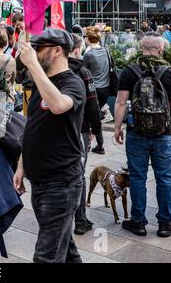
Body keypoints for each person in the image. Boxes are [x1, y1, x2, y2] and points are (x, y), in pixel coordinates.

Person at [13, 29, 86, 263]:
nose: (33, 53)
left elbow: (58, 105)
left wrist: (33, 66)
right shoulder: (42, 82)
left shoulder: (73, 82)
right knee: (64, 247)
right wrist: (22, 165)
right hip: (42, 180)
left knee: (47, 255)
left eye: (39, 48)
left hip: (61, 182)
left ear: (57, 51)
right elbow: (33, 125)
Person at [115, 33, 171, 238]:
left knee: (138, 178)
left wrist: (117, 129)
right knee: (165, 178)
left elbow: (121, 103)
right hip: (164, 134)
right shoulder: (170, 73)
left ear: (141, 49)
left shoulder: (128, 72)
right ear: (160, 50)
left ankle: (138, 222)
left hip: (136, 132)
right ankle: (165, 223)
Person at [69, 34, 102, 235]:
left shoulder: (50, 70)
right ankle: (80, 220)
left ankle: (62, 216)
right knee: (78, 174)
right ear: (76, 49)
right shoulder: (83, 72)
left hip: (55, 131)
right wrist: (96, 131)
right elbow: (93, 105)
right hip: (79, 130)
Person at [83, 26, 110, 155]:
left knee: (89, 116)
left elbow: (82, 72)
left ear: (88, 38)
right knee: (97, 116)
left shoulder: (88, 54)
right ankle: (100, 144)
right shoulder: (106, 51)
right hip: (105, 88)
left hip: (93, 89)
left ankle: (89, 143)